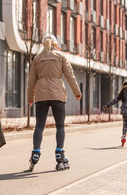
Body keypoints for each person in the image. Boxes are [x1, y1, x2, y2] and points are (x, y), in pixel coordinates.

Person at [27, 35, 82, 172]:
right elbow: (70, 75)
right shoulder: (61, 57)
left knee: (39, 125)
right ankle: (59, 151)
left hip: (41, 94)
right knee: (60, 125)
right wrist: (77, 92)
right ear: (56, 45)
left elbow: (31, 80)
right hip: (57, 93)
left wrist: (30, 97)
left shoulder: (37, 58)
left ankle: (36, 151)